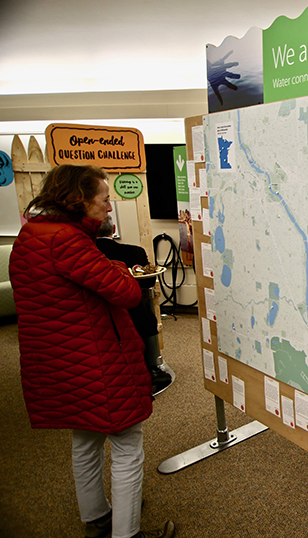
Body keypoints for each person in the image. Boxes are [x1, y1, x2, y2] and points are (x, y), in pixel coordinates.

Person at [9, 164, 175, 538]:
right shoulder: (67, 241)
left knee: (85, 439)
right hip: (94, 363)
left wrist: (109, 264)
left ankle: (97, 517)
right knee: (127, 444)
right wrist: (121, 269)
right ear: (78, 200)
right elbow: (129, 294)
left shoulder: (31, 235)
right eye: (103, 199)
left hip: (58, 363)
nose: (109, 206)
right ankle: (126, 534)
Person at [96, 216, 173, 395]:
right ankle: (152, 369)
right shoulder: (134, 253)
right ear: (114, 228)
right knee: (145, 315)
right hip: (133, 311)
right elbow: (148, 282)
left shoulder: (85, 254)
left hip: (98, 316)